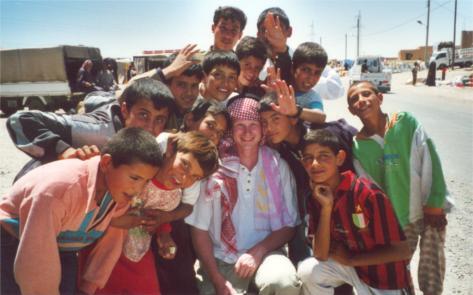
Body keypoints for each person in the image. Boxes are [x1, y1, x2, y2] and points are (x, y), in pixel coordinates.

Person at [0, 127, 162, 295]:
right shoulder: (59, 190)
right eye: (135, 178)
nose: (139, 188)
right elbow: (35, 263)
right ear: (106, 163)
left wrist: (88, 287)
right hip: (16, 243)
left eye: (146, 181)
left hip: (60, 247)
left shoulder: (119, 192)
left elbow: (110, 244)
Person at [79, 131, 219, 295]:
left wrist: (164, 236)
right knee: (95, 285)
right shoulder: (141, 174)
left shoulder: (173, 196)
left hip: (137, 251)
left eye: (194, 177)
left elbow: (158, 215)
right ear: (170, 150)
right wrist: (115, 221)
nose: (184, 176)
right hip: (104, 244)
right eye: (185, 165)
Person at [186, 96, 301, 295]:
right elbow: (199, 231)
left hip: (267, 253)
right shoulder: (214, 168)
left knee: (283, 283)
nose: (247, 132)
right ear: (230, 130)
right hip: (219, 259)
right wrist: (217, 280)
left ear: (262, 128)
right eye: (240, 125)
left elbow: (289, 226)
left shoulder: (277, 166)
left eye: (253, 124)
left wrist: (258, 251)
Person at [347, 81, 452, 295]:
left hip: (426, 208)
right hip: (396, 220)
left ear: (380, 98)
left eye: (366, 94)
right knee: (398, 268)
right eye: (354, 99)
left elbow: (430, 159)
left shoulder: (405, 123)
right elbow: (369, 188)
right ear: (351, 110)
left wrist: (435, 203)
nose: (361, 101)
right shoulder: (358, 146)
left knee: (432, 266)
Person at [297, 129, 413, 294]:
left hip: (385, 280)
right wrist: (326, 208)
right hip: (354, 271)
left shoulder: (366, 194)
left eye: (324, 156)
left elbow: (403, 250)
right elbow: (321, 255)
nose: (315, 164)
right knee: (308, 272)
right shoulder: (317, 197)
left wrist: (352, 259)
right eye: (308, 158)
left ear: (340, 158)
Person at [7, 78, 175, 181]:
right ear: (124, 110)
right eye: (143, 115)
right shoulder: (95, 130)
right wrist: (64, 151)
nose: (151, 127)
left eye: (159, 119)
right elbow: (20, 119)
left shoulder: (150, 142)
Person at [292, 42, 328, 111]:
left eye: (317, 73)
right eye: (306, 70)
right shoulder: (280, 90)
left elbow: (320, 116)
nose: (311, 79)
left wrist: (295, 111)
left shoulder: (313, 98)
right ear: (293, 69)